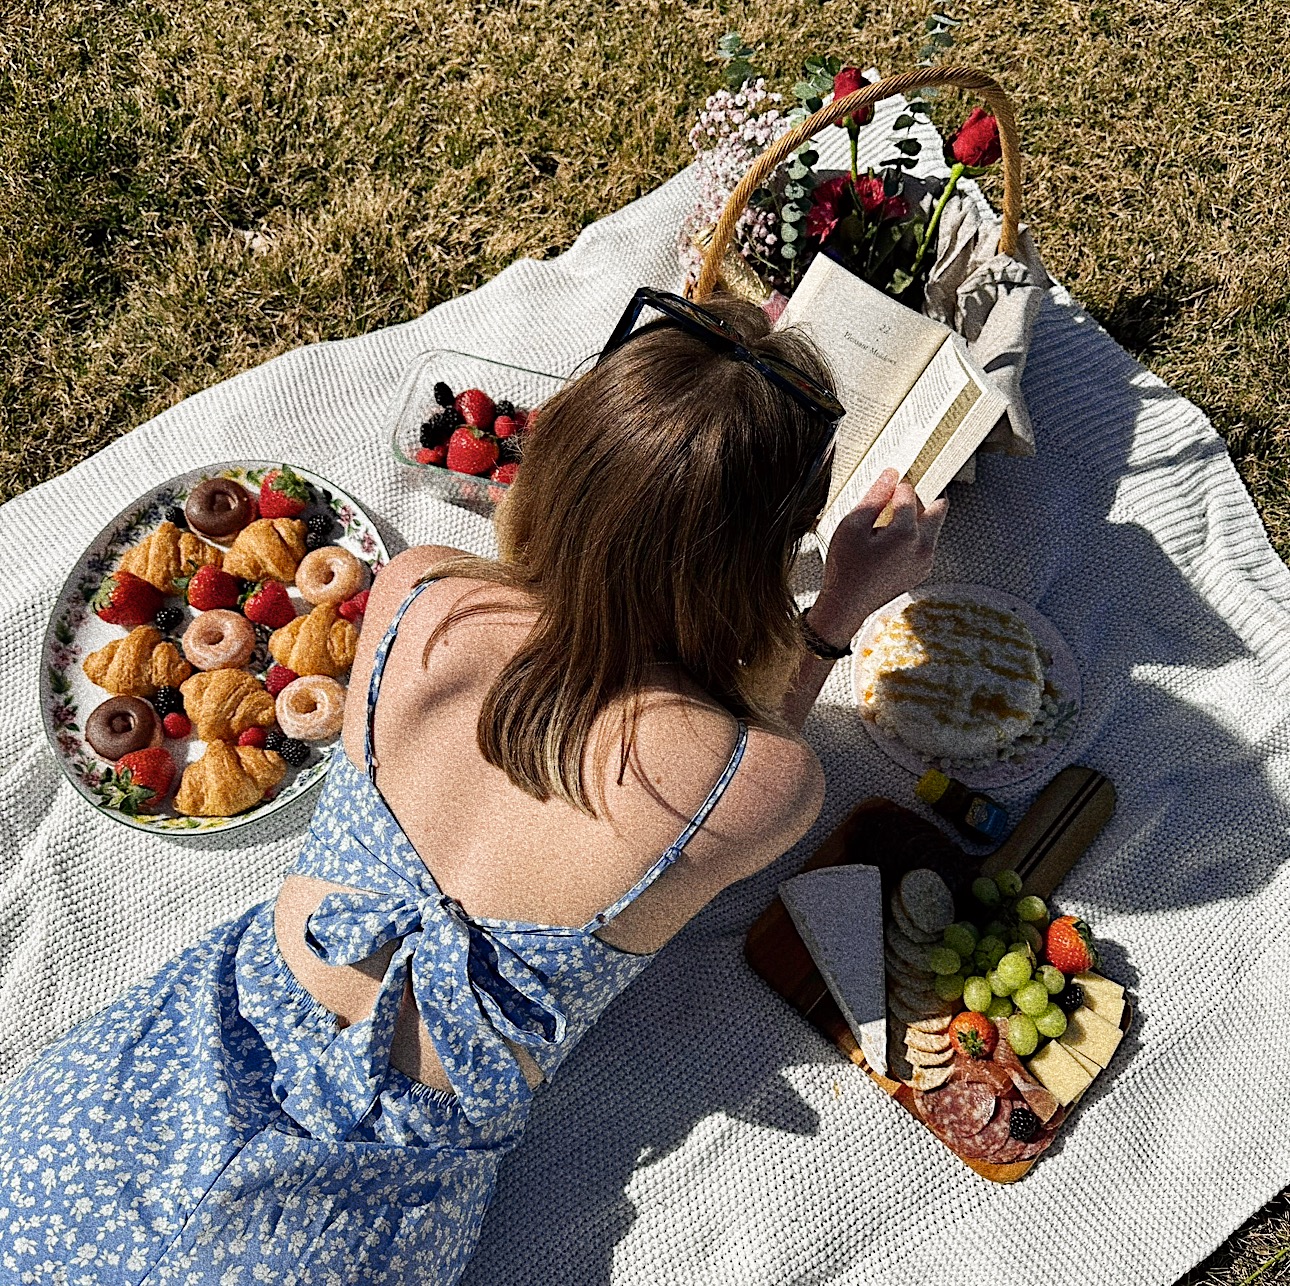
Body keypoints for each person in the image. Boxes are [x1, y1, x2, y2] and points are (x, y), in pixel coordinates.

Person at [0, 290, 946, 1284]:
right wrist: (834, 614)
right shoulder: (759, 782)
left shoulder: (417, 590)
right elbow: (737, 725)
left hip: (186, 1050)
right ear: (760, 566)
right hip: (372, 1187)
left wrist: (682, 407)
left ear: (551, 466)